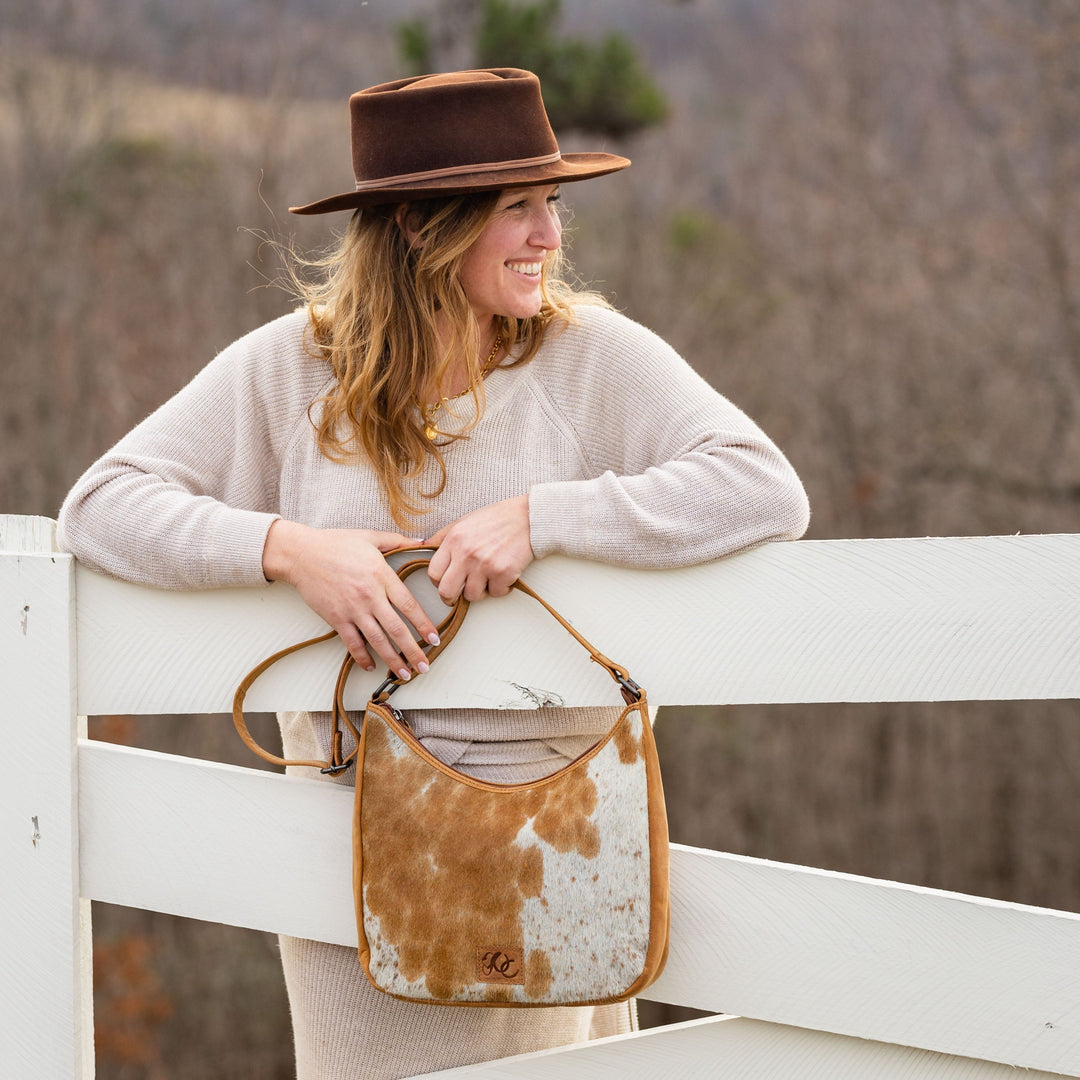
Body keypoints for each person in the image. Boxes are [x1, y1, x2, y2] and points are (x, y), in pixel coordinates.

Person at [58, 68, 810, 1080]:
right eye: (516, 209)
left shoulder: (587, 359)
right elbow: (100, 505)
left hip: (561, 838)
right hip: (357, 855)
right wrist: (289, 548)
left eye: (551, 204)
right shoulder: (293, 370)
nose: (549, 234)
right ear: (421, 224)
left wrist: (545, 517)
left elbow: (763, 488)